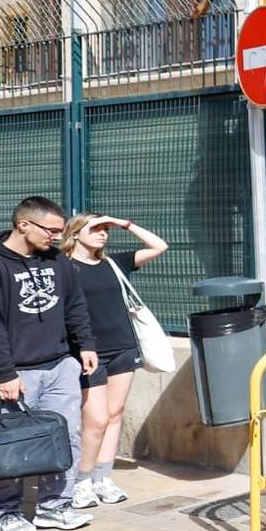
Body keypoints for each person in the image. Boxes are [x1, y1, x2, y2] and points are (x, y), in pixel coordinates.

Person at [0, 196, 98, 531]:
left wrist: (85, 345)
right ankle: (3, 513)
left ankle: (55, 507)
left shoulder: (57, 262)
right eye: (51, 230)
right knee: (11, 445)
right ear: (24, 225)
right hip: (13, 373)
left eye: (60, 230)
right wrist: (3, 372)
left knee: (64, 438)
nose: (56, 236)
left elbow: (74, 305)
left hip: (59, 365)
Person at [60, 214, 168, 508]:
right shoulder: (64, 268)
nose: (103, 234)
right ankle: (81, 482)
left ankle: (102, 479)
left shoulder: (113, 263)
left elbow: (160, 246)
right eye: (95, 228)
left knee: (115, 414)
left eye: (106, 230)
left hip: (123, 346)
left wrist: (124, 224)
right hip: (87, 352)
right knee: (95, 420)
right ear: (75, 233)